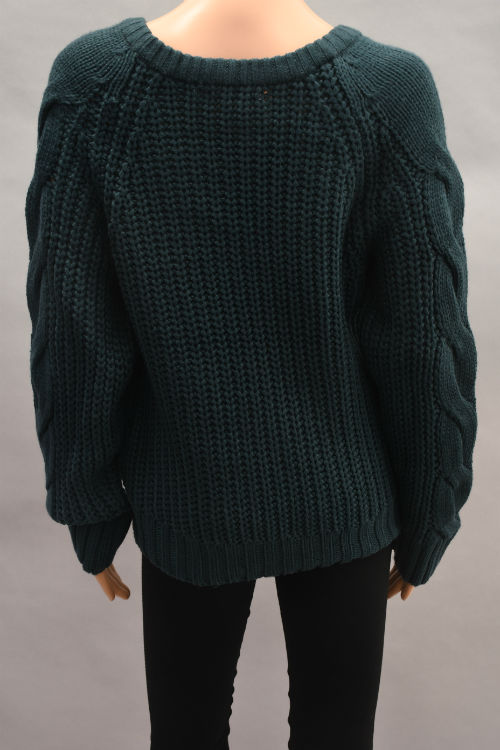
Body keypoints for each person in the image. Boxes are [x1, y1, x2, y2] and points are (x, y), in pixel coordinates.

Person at [24, 1, 478, 747]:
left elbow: (76, 328)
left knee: (185, 734)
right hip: (341, 501)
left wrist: (89, 504)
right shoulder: (386, 91)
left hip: (187, 503)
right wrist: (433, 508)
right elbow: (423, 340)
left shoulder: (94, 84)